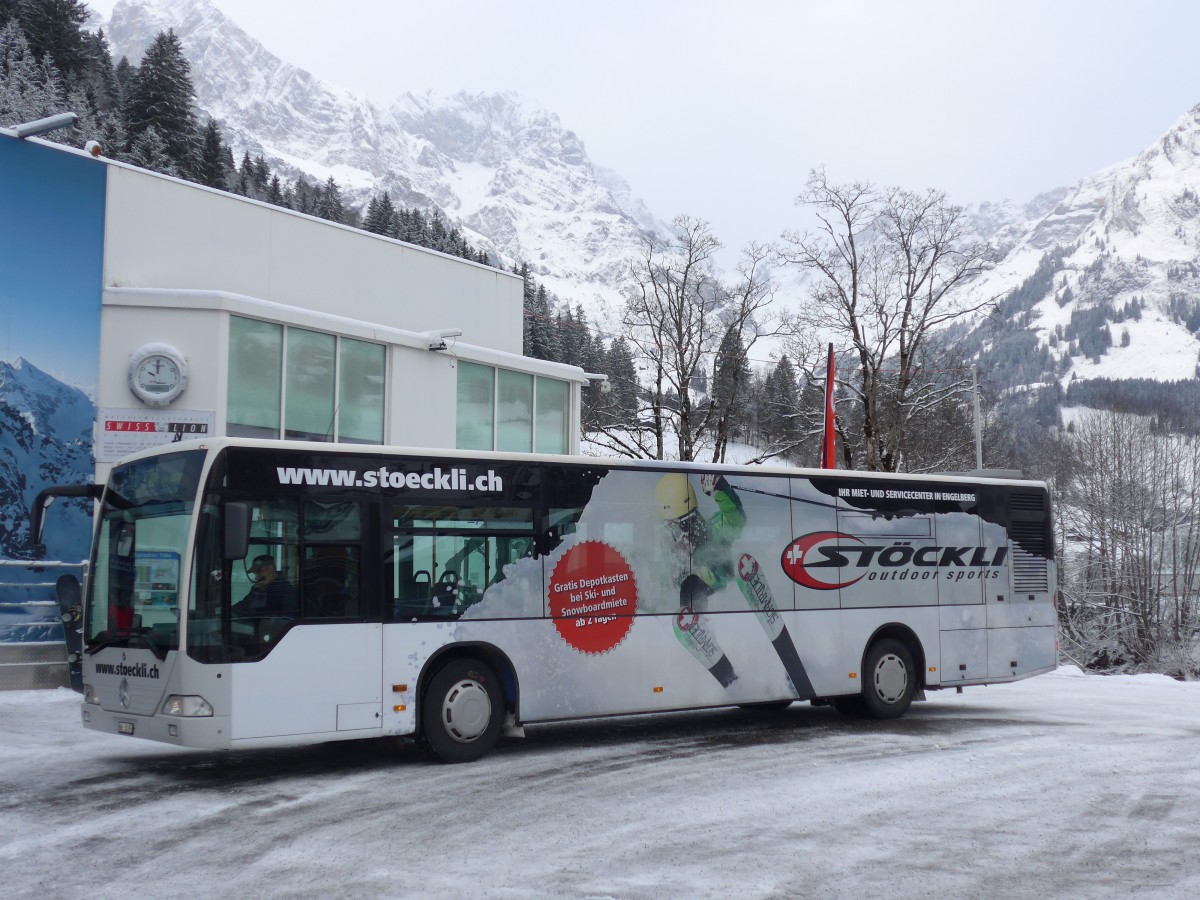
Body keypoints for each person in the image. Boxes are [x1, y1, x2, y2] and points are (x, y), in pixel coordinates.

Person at [234, 554, 299, 617]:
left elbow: (267, 614)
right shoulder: (257, 588)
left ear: (269, 569)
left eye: (259, 573)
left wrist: (263, 591)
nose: (256, 578)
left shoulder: (284, 590)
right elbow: (243, 605)